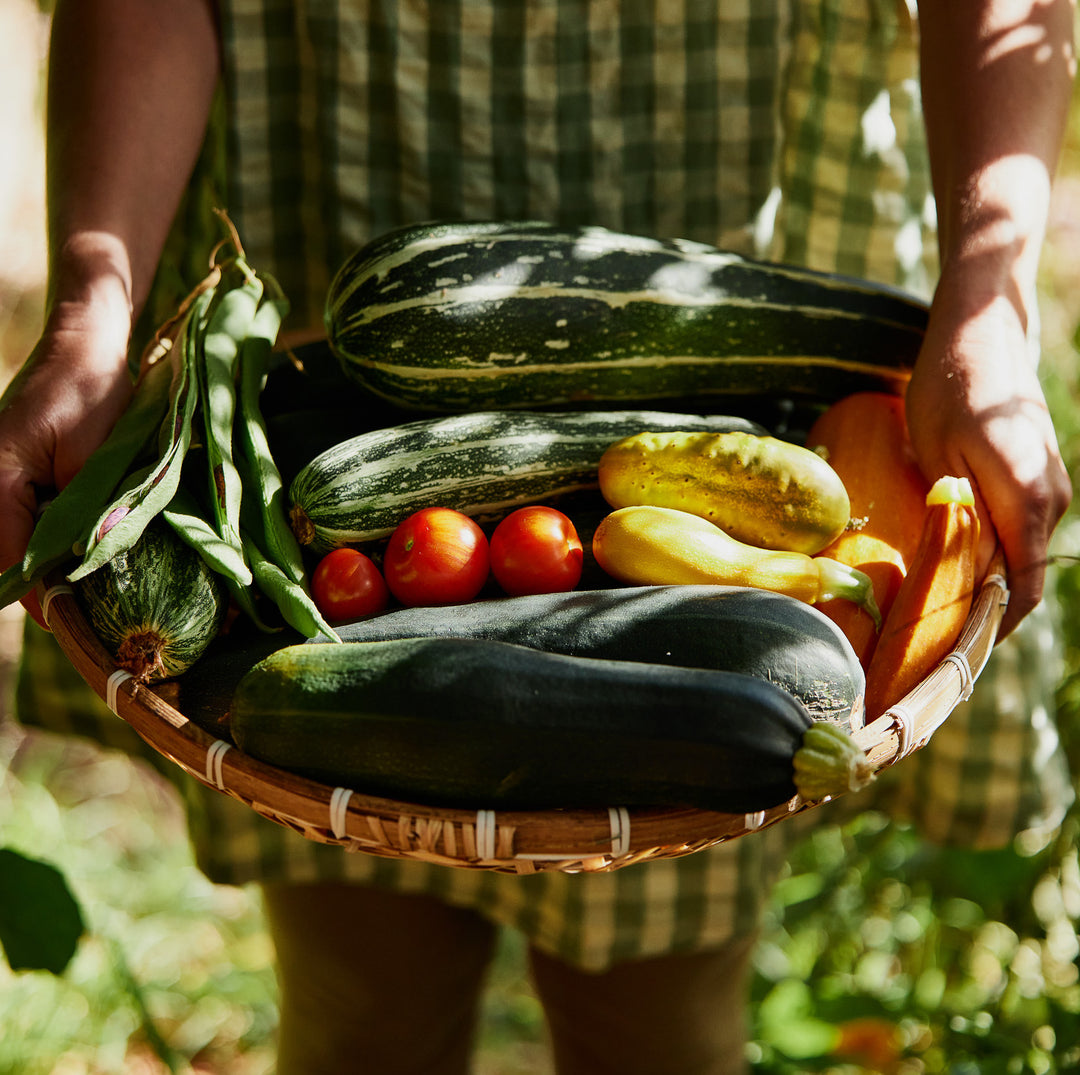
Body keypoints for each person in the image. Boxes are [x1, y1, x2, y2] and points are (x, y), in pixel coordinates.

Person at [1, 1, 1074, 1072]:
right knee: (360, 995)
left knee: (661, 1010)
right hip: (331, 217)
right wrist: (95, 321)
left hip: (736, 229)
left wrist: (982, 303)